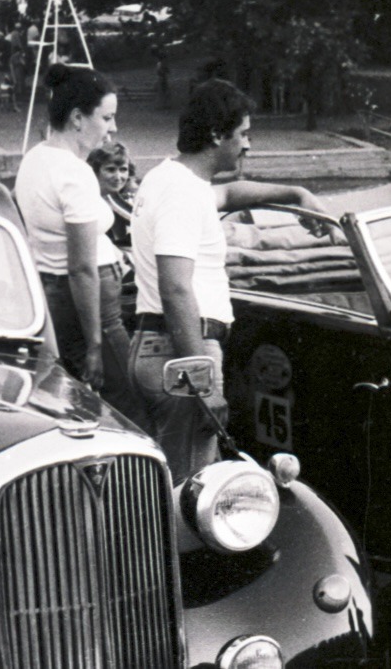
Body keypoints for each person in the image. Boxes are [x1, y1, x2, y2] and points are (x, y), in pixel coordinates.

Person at [129, 78, 329, 482]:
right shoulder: (182, 194)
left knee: (176, 478)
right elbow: (176, 286)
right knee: (191, 490)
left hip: (162, 347)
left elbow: (231, 194)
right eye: (244, 134)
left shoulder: (174, 180)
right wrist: (201, 382)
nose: (248, 145)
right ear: (217, 134)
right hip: (182, 350)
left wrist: (296, 193)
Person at [12, 64, 146, 426]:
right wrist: (96, 345)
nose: (113, 128)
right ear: (76, 118)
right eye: (106, 117)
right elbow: (82, 267)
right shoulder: (74, 174)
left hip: (54, 294)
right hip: (91, 306)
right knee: (130, 399)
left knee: (75, 401)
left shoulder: (35, 159)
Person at [87, 141, 135, 252]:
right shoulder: (89, 200)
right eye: (110, 169)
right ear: (95, 171)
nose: (118, 177)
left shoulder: (123, 199)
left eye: (123, 169)